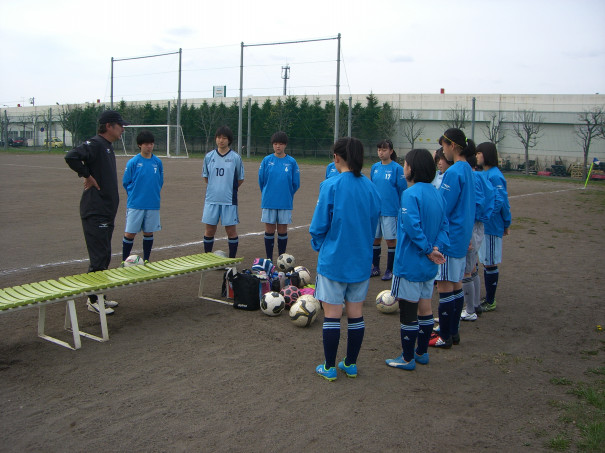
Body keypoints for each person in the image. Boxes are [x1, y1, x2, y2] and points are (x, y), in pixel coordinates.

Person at [310, 137, 381, 381]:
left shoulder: (330, 185)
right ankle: (350, 364)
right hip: (361, 259)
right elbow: (374, 225)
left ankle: (329, 367)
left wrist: (319, 244)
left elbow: (319, 224)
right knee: (356, 313)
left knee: (331, 313)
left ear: (337, 157)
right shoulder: (371, 187)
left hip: (335, 260)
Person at [385, 149, 448, 370]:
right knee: (426, 307)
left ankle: (407, 358)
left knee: (408, 312)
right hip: (429, 266)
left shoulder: (410, 195)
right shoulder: (437, 192)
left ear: (411, 168)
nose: (403, 166)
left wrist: (429, 249)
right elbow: (444, 226)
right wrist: (437, 247)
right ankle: (422, 352)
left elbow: (412, 227)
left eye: (405, 163)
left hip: (410, 263)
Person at [64, 109, 129, 315]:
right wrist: (86, 175)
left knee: (105, 255)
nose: (123, 129)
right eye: (120, 125)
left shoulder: (107, 147)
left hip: (106, 211)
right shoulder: (95, 144)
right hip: (95, 211)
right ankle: (93, 300)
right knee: (99, 257)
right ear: (108, 126)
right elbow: (71, 156)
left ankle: (100, 295)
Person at [430, 128, 476, 349]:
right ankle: (454, 332)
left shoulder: (455, 172)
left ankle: (445, 336)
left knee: (445, 287)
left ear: (453, 146)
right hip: (460, 236)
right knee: (456, 284)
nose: (443, 152)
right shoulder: (468, 169)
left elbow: (443, 207)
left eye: (445, 146)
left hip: (449, 238)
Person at [476, 142, 512, 312]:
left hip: (491, 226)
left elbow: (500, 200)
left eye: (479, 153)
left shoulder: (495, 176)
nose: (476, 156)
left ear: (487, 154)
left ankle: (490, 301)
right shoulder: (485, 173)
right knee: (486, 261)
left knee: (490, 263)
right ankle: (488, 298)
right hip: (486, 225)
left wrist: (505, 222)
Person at [460, 153, 495, 321]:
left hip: (471, 225)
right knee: (472, 267)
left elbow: (475, 202)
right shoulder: (481, 177)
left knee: (466, 270)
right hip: (479, 225)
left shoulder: (472, 178)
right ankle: (475, 305)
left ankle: (470, 310)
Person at [121, 130, 164, 265]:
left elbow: (160, 181)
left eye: (151, 144)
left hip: (152, 203)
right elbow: (126, 182)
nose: (149, 146)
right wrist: (135, 194)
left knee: (149, 232)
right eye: (146, 144)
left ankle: (146, 259)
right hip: (136, 204)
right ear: (140, 145)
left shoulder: (157, 162)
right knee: (130, 233)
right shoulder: (133, 162)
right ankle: (124, 261)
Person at [202, 126, 245, 258]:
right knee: (209, 230)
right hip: (211, 200)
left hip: (229, 201)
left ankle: (231, 261)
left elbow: (240, 179)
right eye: (219, 137)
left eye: (224, 138)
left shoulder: (235, 158)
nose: (221, 140)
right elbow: (206, 177)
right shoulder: (209, 157)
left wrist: (227, 189)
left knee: (231, 231)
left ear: (229, 140)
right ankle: (207, 259)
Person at [258, 131, 300, 260]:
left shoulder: (291, 162)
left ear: (285, 145)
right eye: (275, 144)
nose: (278, 146)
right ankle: (269, 258)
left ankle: (281, 258)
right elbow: (261, 180)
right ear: (272, 145)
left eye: (281, 144)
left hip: (285, 202)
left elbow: (295, 183)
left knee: (282, 230)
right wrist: (267, 193)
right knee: (269, 230)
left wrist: (287, 194)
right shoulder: (267, 160)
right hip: (269, 201)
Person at [370, 139, 407, 281]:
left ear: (391, 151)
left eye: (384, 150)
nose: (381, 152)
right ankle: (375, 268)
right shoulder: (375, 167)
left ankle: (390, 270)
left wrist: (400, 209)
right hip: (376, 211)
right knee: (375, 239)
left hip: (390, 211)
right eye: (379, 149)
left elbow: (402, 190)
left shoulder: (397, 168)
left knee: (391, 241)